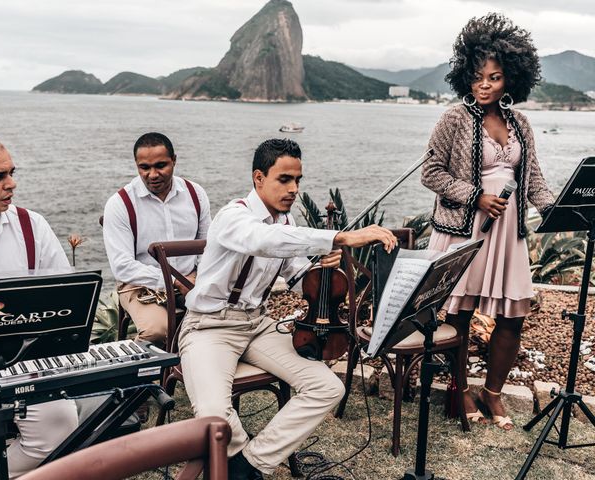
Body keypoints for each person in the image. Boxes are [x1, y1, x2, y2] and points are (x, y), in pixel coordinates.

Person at [180, 138, 397, 479]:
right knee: (212, 414)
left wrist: (322, 269)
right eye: (285, 179)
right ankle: (238, 458)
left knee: (328, 388)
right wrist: (339, 237)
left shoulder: (287, 223)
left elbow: (296, 275)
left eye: (298, 180)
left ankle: (250, 464)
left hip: (257, 324)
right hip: (210, 327)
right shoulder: (233, 217)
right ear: (259, 178)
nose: (294, 188)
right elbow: (263, 241)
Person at [421, 13, 555, 430]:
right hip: (465, 231)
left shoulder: (520, 123)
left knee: (512, 317)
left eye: (494, 78)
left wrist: (558, 209)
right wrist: (475, 196)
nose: (484, 85)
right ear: (466, 75)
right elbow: (431, 172)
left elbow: (533, 181)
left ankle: (492, 392)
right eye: (478, 76)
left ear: (510, 79)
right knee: (459, 314)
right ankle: (458, 389)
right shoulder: (453, 119)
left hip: (507, 235)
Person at [0, 134, 79, 479]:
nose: (12, 184)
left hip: (22, 358)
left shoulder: (31, 226)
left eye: (12, 172)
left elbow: (65, 300)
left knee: (59, 427)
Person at [103, 132, 211, 345]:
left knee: (229, 318)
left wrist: (199, 275)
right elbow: (122, 267)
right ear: (136, 165)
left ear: (174, 161)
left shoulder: (196, 193)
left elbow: (208, 246)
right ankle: (135, 373)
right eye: (144, 168)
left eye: (161, 165)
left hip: (191, 278)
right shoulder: (119, 204)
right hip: (139, 284)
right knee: (158, 330)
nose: (152, 174)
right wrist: (174, 281)